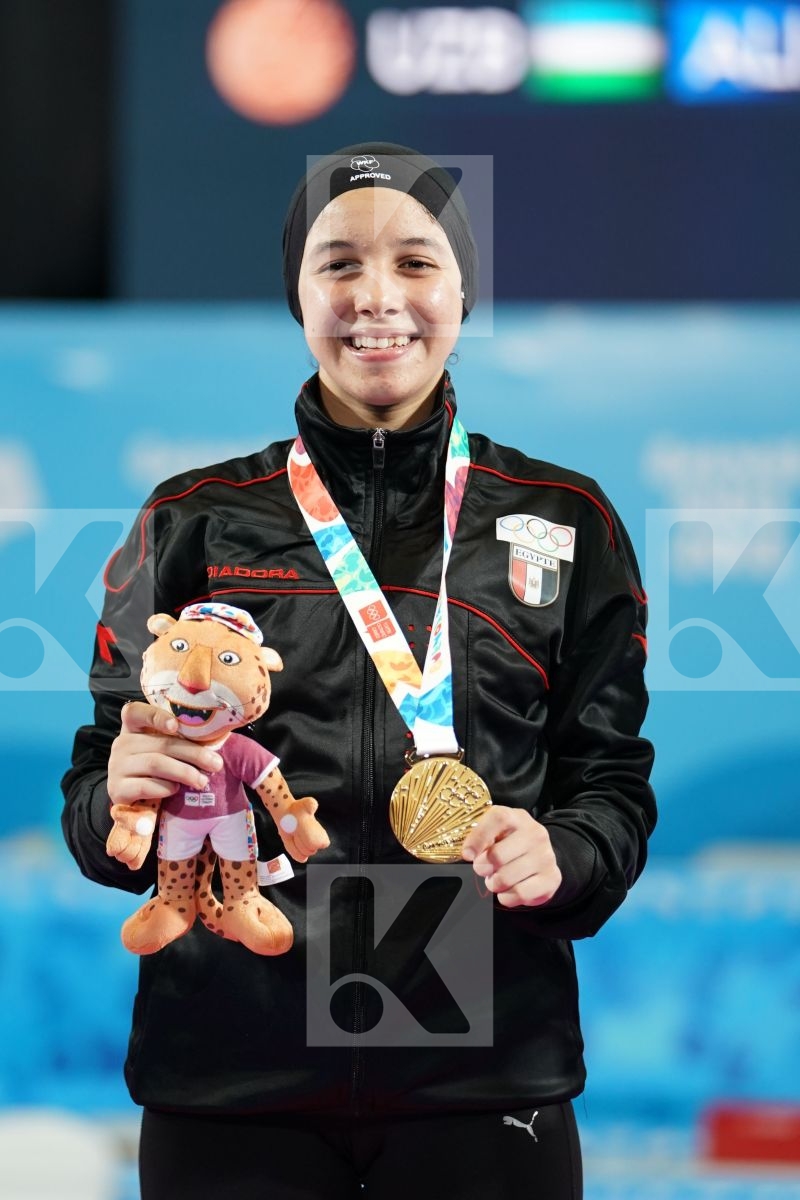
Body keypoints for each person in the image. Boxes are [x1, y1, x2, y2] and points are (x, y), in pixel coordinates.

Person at [62, 143, 656, 1200]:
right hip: (233, 1082)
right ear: (297, 294)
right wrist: (117, 802)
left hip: (481, 1083)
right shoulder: (190, 519)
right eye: (338, 264)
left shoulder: (565, 520)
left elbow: (609, 785)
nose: (376, 297)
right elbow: (95, 800)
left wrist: (560, 853)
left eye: (416, 263)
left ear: (462, 290)